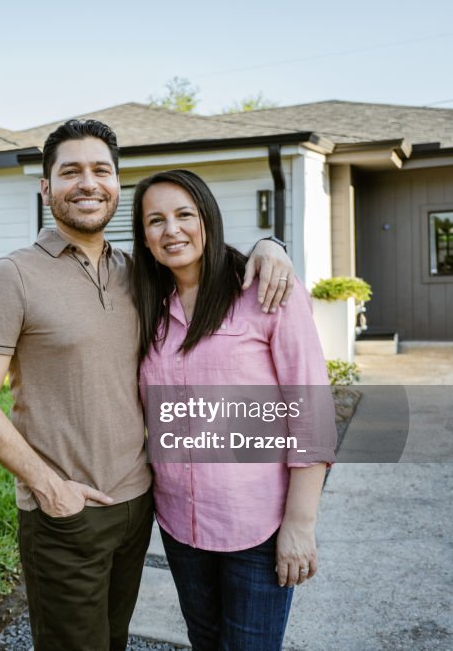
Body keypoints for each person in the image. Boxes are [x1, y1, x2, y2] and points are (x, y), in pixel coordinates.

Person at [0, 120, 296, 650]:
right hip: (66, 510)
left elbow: (200, 256)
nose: (87, 183)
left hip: (140, 507)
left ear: (117, 185)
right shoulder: (14, 276)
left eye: (101, 170)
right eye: (70, 172)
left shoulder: (139, 273)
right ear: (46, 188)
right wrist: (49, 488)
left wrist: (271, 246)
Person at [132, 169, 336, 650]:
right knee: (204, 641)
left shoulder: (265, 294)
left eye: (184, 214)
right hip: (180, 524)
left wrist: (299, 525)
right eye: (155, 220)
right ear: (144, 236)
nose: (172, 230)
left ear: (208, 216)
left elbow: (312, 413)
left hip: (257, 526)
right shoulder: (145, 303)